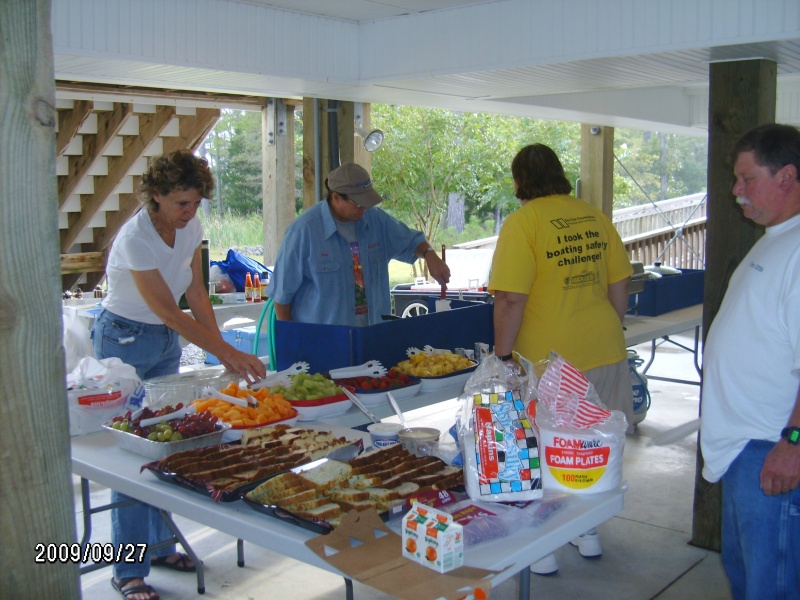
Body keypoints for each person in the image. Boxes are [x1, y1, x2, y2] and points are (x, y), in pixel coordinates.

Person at [93, 150, 266, 600]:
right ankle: (128, 569)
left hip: (164, 341)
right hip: (122, 340)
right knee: (132, 454)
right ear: (156, 197)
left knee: (167, 445)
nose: (190, 213)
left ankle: (162, 545)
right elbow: (169, 312)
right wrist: (223, 349)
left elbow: (195, 293)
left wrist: (224, 352)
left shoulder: (191, 226)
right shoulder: (136, 238)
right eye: (180, 205)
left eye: (195, 204)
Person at [488, 143, 633, 575]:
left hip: (548, 364)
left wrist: (501, 356)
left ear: (519, 182)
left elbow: (511, 299)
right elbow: (620, 284)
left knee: (543, 452)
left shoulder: (523, 223)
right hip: (603, 349)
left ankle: (543, 546)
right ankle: (586, 531)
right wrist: (602, 328)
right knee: (589, 448)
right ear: (560, 174)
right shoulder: (593, 216)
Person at [699, 123, 800, 599]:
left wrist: (794, 442)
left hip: (772, 452)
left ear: (787, 176)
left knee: (771, 588)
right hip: (745, 451)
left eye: (747, 178)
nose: (736, 191)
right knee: (746, 581)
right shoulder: (777, 236)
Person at [267, 162, 450, 326]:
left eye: (367, 202)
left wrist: (430, 256)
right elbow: (282, 295)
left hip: (373, 334)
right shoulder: (303, 231)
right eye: (358, 203)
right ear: (336, 198)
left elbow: (412, 240)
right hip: (325, 341)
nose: (364, 208)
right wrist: (292, 341)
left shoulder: (376, 220)